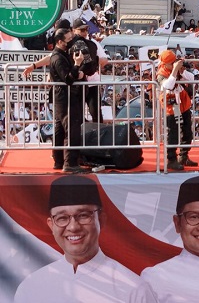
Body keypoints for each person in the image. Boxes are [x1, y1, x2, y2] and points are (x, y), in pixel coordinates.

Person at [14, 175, 156, 302]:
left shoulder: (134, 290)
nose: (73, 227)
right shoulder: (30, 287)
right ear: (51, 225)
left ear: (101, 220)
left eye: (83, 215)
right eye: (62, 218)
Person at [49, 28, 87, 172]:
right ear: (60, 42)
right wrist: (77, 65)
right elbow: (68, 79)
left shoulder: (61, 55)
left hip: (63, 96)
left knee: (60, 129)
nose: (71, 42)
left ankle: (58, 160)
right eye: (68, 40)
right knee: (71, 129)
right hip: (65, 97)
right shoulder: (58, 58)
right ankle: (70, 163)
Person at [156, 49, 198, 171]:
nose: (175, 64)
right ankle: (171, 160)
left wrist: (182, 71)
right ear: (165, 64)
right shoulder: (161, 74)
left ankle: (183, 156)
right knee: (173, 133)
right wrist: (174, 70)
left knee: (187, 132)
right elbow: (167, 85)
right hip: (171, 106)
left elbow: (192, 78)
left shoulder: (178, 70)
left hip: (183, 104)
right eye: (172, 62)